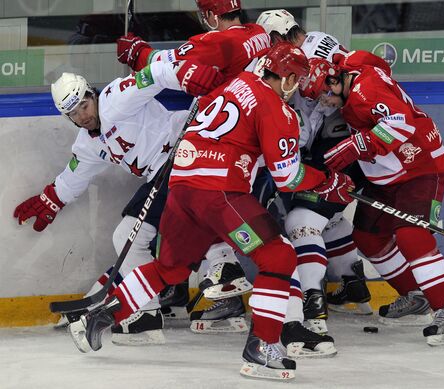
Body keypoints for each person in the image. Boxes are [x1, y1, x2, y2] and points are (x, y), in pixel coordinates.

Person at [67, 42, 355, 381]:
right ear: (287, 78)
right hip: (220, 190)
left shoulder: (237, 83)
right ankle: (263, 347)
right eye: (297, 80)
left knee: (169, 268)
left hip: (182, 186)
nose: (298, 88)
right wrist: (328, 181)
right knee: (278, 257)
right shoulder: (277, 110)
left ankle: (101, 316)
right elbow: (287, 176)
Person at [13, 60, 222, 345]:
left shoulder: (117, 97)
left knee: (134, 235)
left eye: (83, 107)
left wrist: (190, 70)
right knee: (139, 236)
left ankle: (155, 309)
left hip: (188, 153)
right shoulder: (88, 144)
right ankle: (156, 303)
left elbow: (156, 73)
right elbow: (75, 174)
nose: (82, 117)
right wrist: (51, 200)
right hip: (163, 174)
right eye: (73, 114)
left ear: (92, 94)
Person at [115, 0, 271, 329]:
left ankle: (162, 302)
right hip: (248, 155)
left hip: (213, 151)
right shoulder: (258, 34)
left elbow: (172, 63)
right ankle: (222, 273)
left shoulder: (217, 41)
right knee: (223, 222)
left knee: (179, 214)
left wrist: (138, 52)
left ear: (212, 14)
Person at [302, 54, 444, 346]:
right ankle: (416, 296)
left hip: (420, 167)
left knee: (411, 235)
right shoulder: (354, 76)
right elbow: (379, 65)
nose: (324, 102)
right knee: (367, 237)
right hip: (387, 175)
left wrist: (359, 144)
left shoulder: (365, 90)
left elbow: (401, 124)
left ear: (334, 80)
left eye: (325, 94)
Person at [256, 10, 377, 341]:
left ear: (279, 38)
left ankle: (313, 304)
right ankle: (353, 283)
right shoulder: (324, 40)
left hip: (337, 149)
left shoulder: (292, 66)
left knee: (301, 222)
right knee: (328, 217)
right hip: (352, 145)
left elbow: (305, 129)